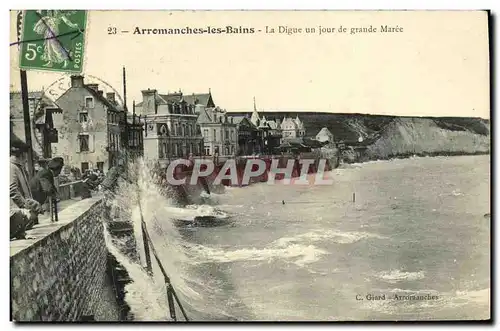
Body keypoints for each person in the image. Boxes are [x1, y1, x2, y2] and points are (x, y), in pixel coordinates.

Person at [10, 142, 43, 239]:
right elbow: (12, 189)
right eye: (25, 154)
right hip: (17, 212)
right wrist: (25, 205)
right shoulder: (11, 167)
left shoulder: (17, 166)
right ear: (22, 154)